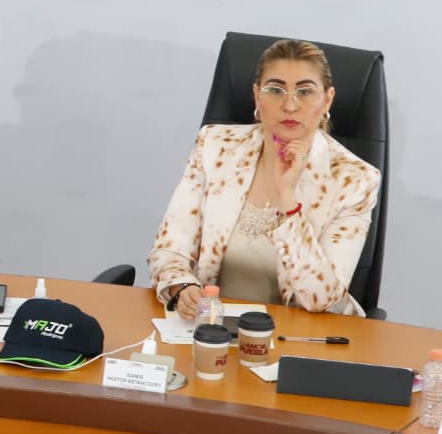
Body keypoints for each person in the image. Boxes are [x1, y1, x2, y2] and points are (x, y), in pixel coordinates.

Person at [149, 39, 380, 318]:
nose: (290, 105)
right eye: (275, 89)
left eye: (305, 91)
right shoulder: (215, 145)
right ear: (257, 95)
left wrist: (287, 197)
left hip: (299, 333)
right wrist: (182, 287)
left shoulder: (355, 180)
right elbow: (169, 250)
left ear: (327, 100)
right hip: (209, 326)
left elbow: (322, 299)